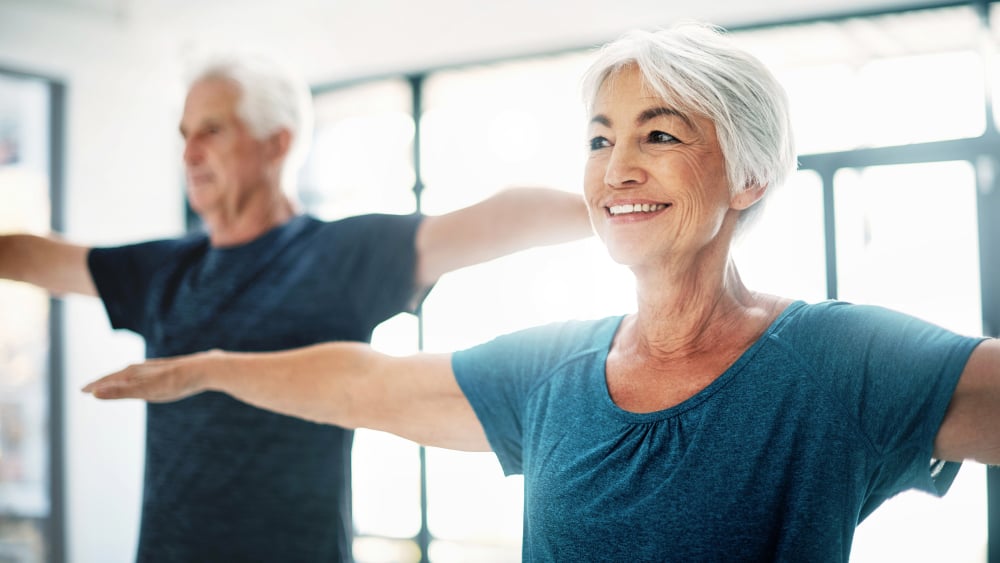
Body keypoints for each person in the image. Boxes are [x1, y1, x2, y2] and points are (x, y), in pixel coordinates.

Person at [82, 23, 999, 561]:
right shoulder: (558, 365)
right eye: (601, 140)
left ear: (750, 177)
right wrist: (207, 367)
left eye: (661, 135)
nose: (618, 167)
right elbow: (368, 383)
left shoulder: (838, 361)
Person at [0, 54, 593, 562]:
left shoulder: (338, 255)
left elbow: (497, 219)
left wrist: (628, 210)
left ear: (276, 142)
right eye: (184, 135)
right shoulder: (163, 271)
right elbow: (34, 258)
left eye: (211, 131)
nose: (189, 153)